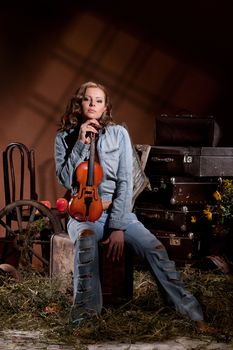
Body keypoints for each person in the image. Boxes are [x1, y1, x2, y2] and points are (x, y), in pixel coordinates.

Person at [54, 81, 217, 334]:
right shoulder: (64, 137)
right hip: (83, 214)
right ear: (79, 103)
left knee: (156, 250)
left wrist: (118, 226)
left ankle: (194, 317)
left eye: (99, 100)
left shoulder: (119, 134)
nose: (93, 105)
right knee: (85, 244)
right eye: (88, 100)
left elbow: (125, 182)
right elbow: (65, 179)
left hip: (119, 212)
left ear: (106, 106)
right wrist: (80, 144)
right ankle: (84, 322)